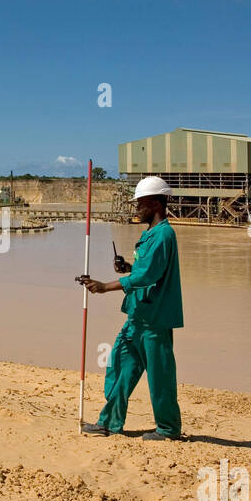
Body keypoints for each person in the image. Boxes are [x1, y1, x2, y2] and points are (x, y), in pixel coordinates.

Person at [79, 175, 184, 440]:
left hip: (155, 320)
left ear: (157, 204)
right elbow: (143, 270)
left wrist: (105, 286)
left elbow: (147, 277)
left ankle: (168, 429)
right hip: (137, 316)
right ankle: (109, 422)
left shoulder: (163, 235)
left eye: (141, 204)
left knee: (160, 377)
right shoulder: (149, 234)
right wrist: (127, 267)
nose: (137, 209)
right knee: (120, 368)